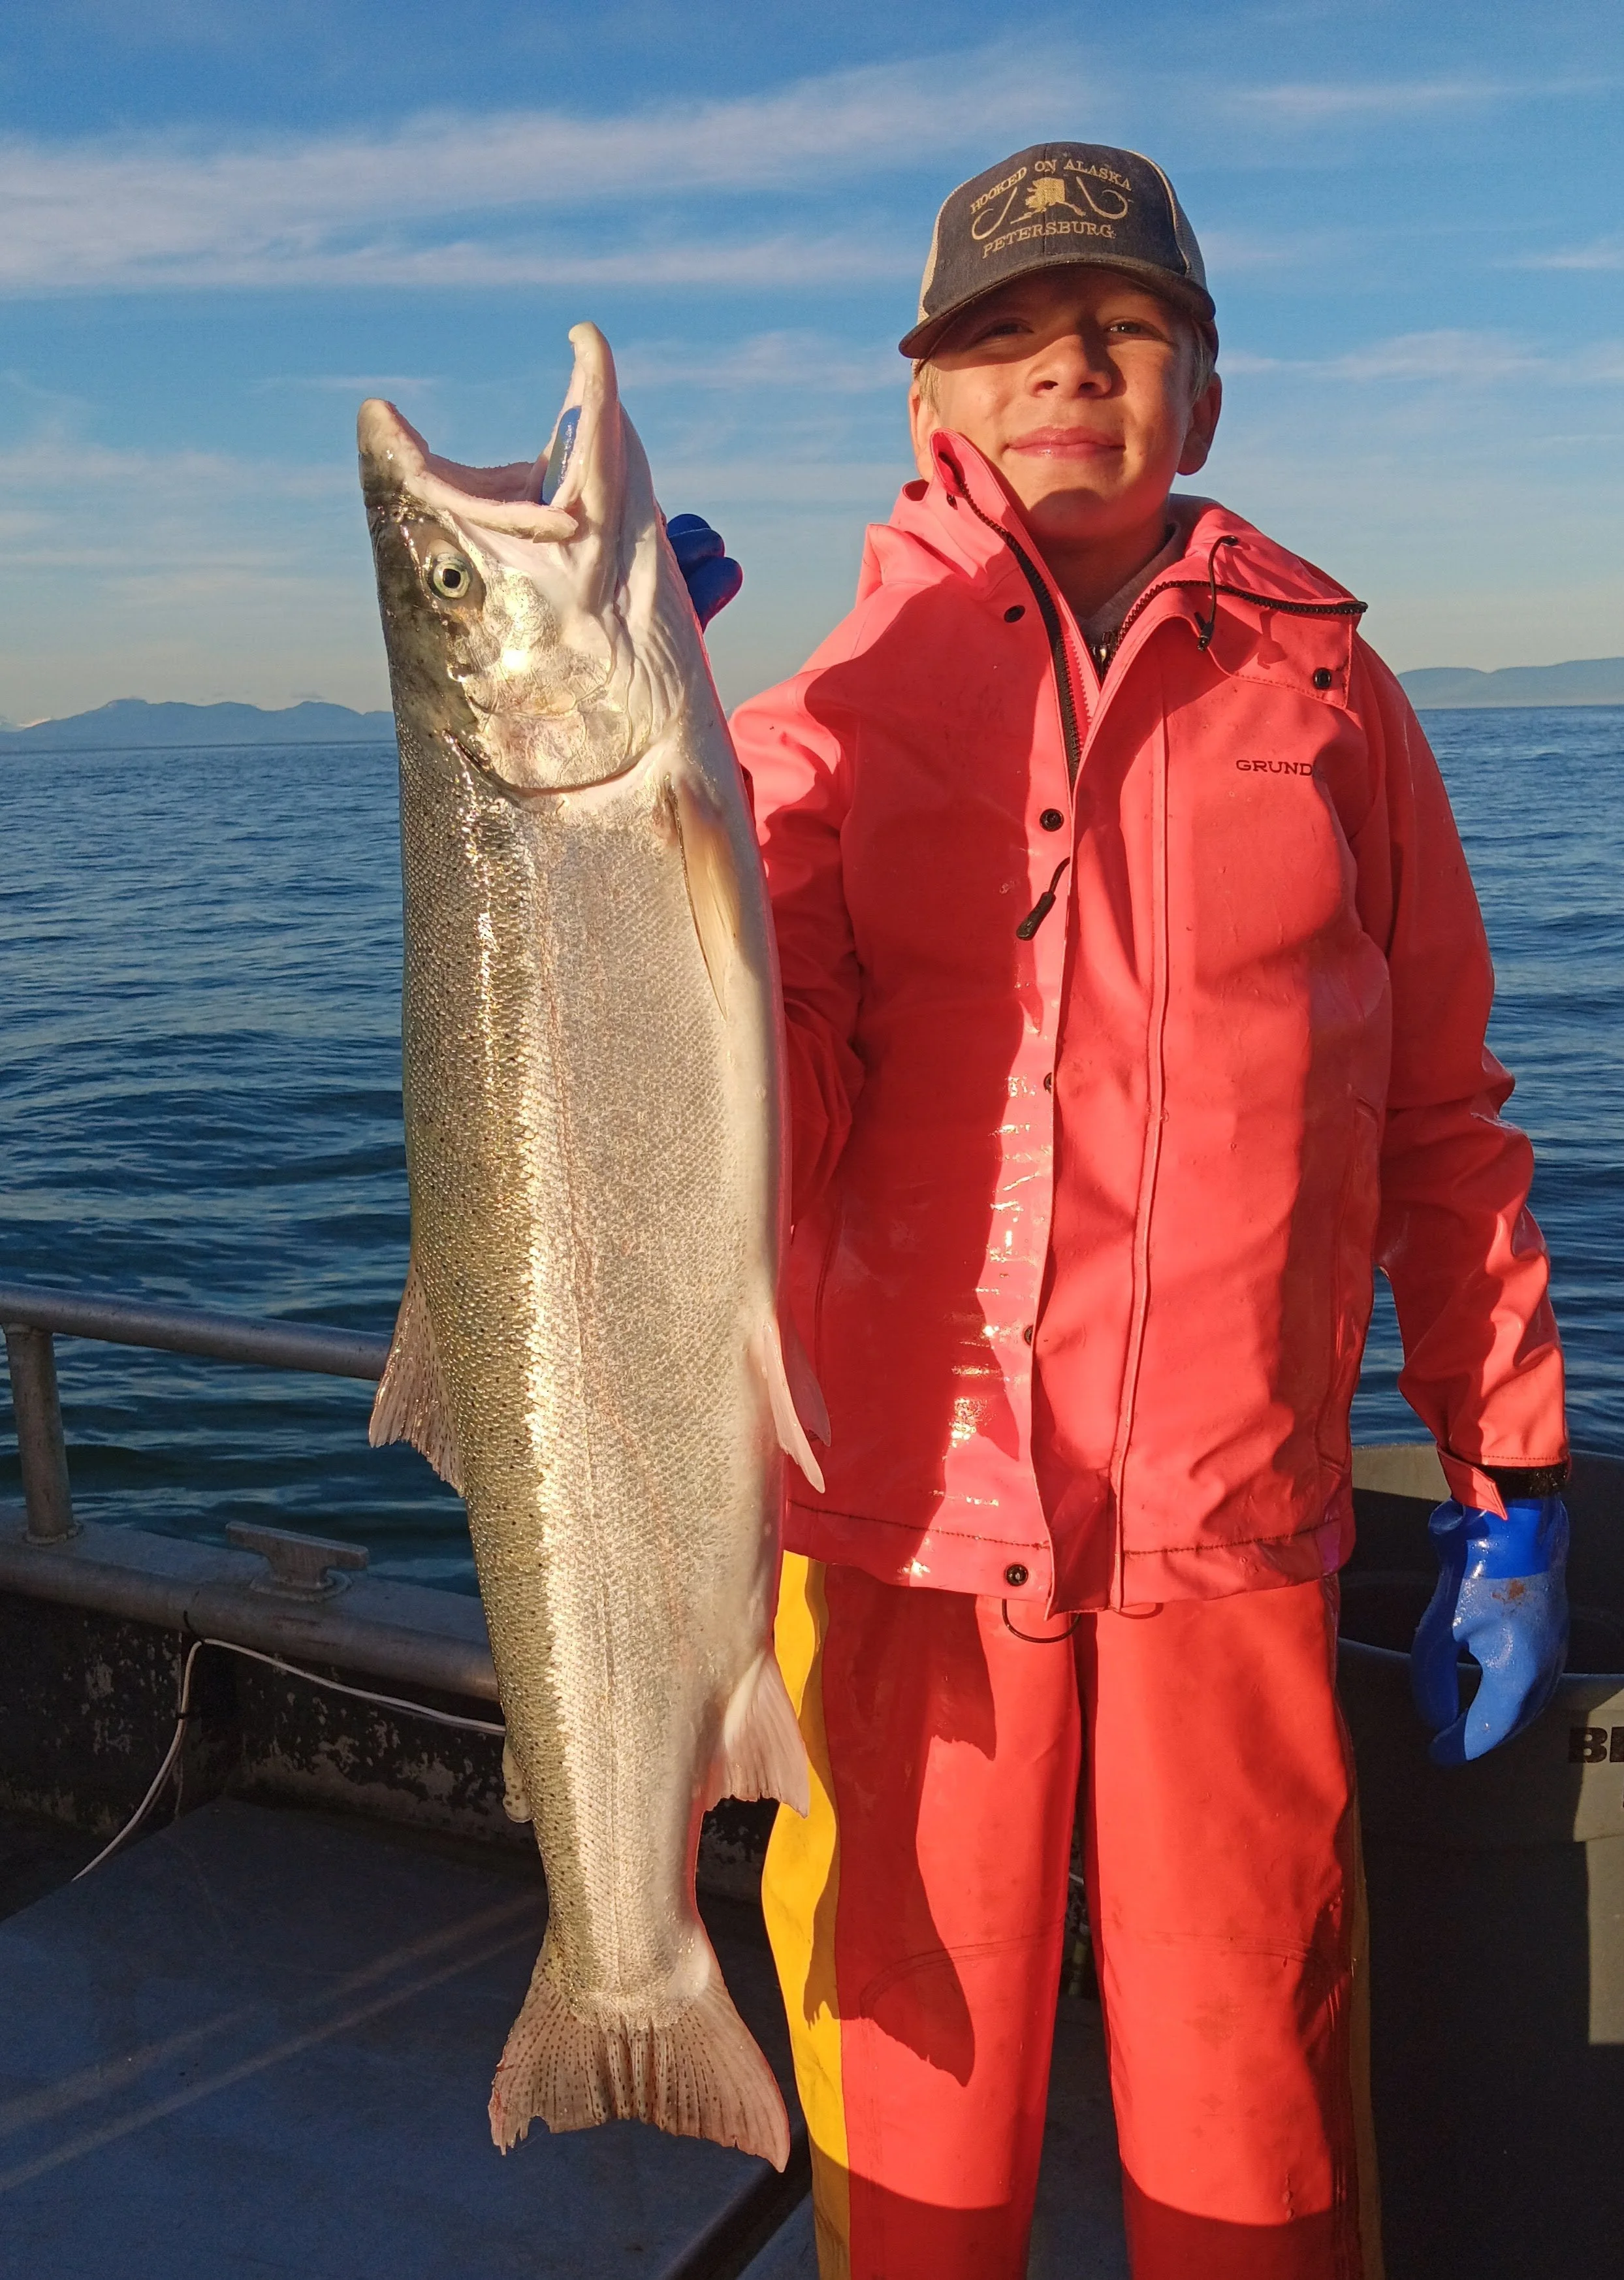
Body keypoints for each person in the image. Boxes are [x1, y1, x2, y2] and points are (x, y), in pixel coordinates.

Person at [682, 141, 1571, 2280]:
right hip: (900, 1538)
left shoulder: (1336, 702)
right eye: (997, 334)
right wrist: (655, 802)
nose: (1061, 368)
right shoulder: (811, 726)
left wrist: (1504, 1463)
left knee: (1254, 2114)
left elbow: (1440, 1115)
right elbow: (736, 1131)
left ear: (1204, 391)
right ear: (927, 408)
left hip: (1230, 1538)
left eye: (1118, 326)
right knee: (904, 2115)